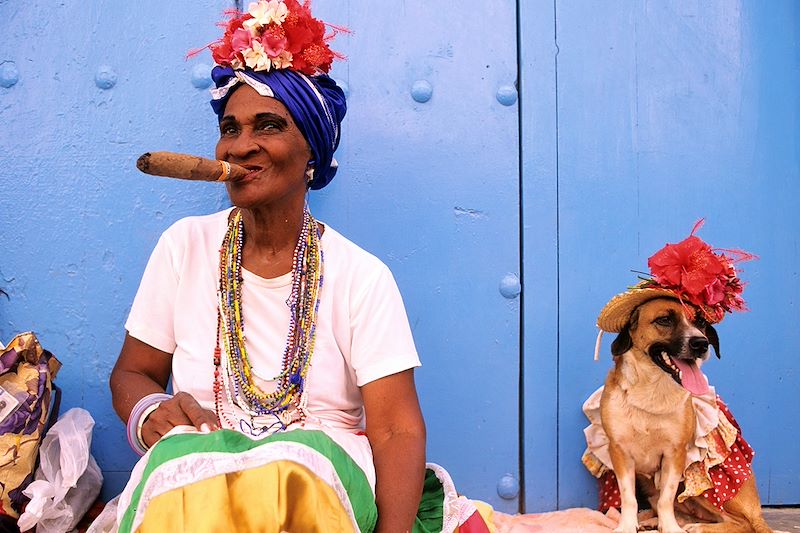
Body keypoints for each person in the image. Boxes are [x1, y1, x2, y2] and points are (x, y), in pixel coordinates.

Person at [103, 2, 490, 532]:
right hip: (202, 469)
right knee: (176, 475)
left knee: (291, 469)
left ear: (311, 151)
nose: (242, 146)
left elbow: (397, 429)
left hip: (321, 470)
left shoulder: (360, 275)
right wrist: (149, 410)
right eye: (230, 128)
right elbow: (133, 371)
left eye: (268, 126)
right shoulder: (183, 246)